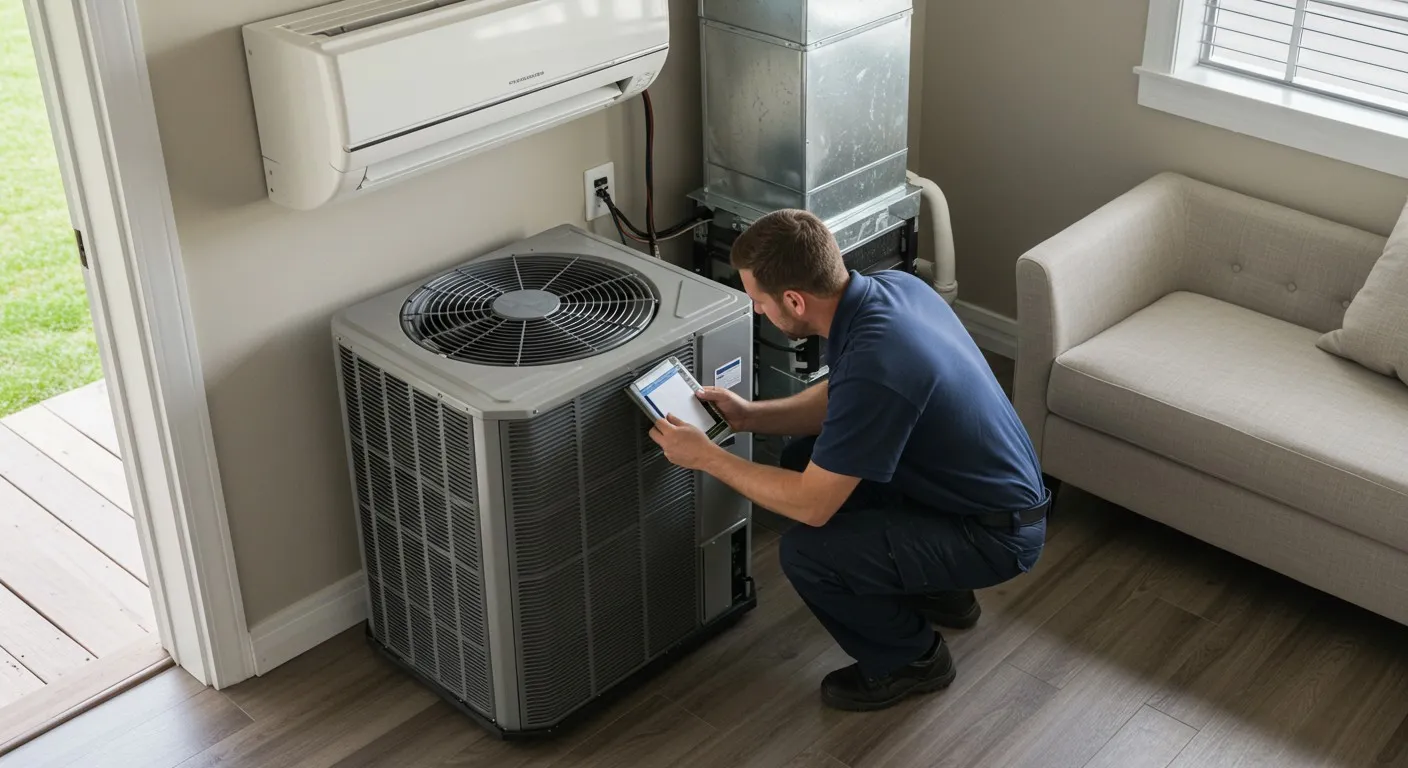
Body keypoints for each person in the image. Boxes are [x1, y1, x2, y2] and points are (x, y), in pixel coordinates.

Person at [649, 209, 1050, 712]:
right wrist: (749, 416)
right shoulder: (894, 291)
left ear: (794, 300)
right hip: (976, 498)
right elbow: (845, 398)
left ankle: (912, 659)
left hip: (995, 535)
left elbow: (813, 506)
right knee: (802, 456)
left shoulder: (879, 359)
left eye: (758, 301)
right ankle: (943, 592)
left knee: (807, 553)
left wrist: (707, 458)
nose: (757, 312)